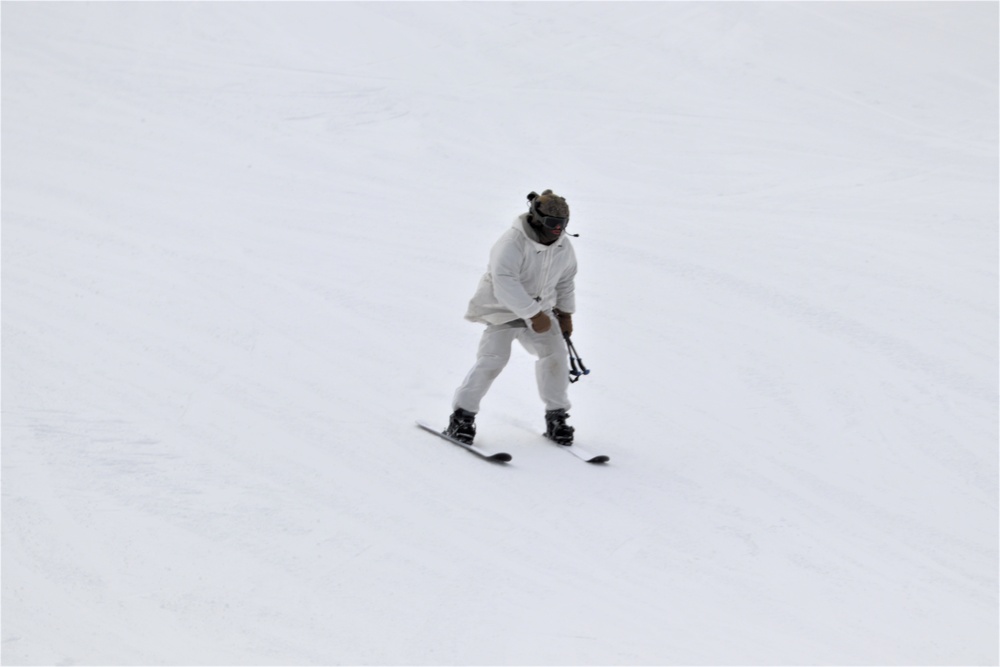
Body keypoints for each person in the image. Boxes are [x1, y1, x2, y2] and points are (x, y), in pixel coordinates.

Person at [446, 189, 578, 446]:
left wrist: (565, 313)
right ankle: (462, 416)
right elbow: (505, 283)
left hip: (542, 312)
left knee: (556, 357)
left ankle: (557, 416)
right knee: (493, 360)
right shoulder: (512, 243)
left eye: (563, 224)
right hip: (502, 311)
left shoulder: (563, 245)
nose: (557, 229)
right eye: (553, 223)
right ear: (538, 218)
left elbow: (565, 280)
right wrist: (532, 313)